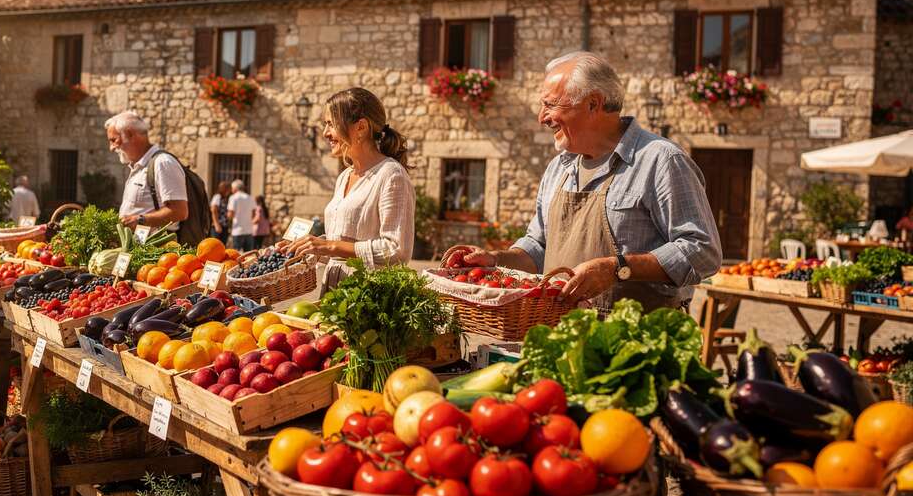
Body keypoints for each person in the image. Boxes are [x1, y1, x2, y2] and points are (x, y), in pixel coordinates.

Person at [447, 51, 721, 311]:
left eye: (550, 105)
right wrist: (496, 259)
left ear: (593, 104)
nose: (542, 118)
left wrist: (617, 268)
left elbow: (702, 252)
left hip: (636, 344)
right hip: (562, 334)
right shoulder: (559, 168)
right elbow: (539, 246)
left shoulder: (661, 160)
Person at [282, 87, 416, 288]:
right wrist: (308, 248)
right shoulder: (345, 176)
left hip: (368, 298)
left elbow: (396, 250)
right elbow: (341, 247)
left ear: (361, 127)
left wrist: (329, 246)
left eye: (331, 124)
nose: (326, 133)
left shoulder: (391, 175)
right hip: (333, 296)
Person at [104, 112, 188, 230]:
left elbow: (179, 211)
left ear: (130, 134)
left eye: (114, 140)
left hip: (159, 247)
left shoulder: (163, 163)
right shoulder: (139, 166)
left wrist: (140, 220)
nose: (111, 148)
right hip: (140, 246)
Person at [227, 179, 256, 252]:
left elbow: (230, 214)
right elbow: (253, 214)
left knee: (236, 255)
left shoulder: (233, 198)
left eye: (232, 188)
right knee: (248, 255)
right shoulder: (250, 197)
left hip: (237, 231)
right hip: (249, 230)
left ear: (235, 188)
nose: (231, 190)